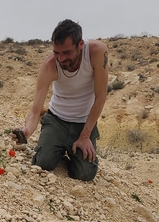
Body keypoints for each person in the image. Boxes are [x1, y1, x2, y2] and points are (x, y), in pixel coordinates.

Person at [14, 19, 108, 181]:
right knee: (43, 163)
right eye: (56, 52)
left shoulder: (97, 53)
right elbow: (36, 109)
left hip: (84, 122)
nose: (61, 59)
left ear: (80, 45)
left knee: (85, 174)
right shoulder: (50, 66)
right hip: (57, 119)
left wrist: (85, 136)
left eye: (66, 53)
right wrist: (27, 130)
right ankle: (57, 149)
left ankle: (72, 153)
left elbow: (100, 97)